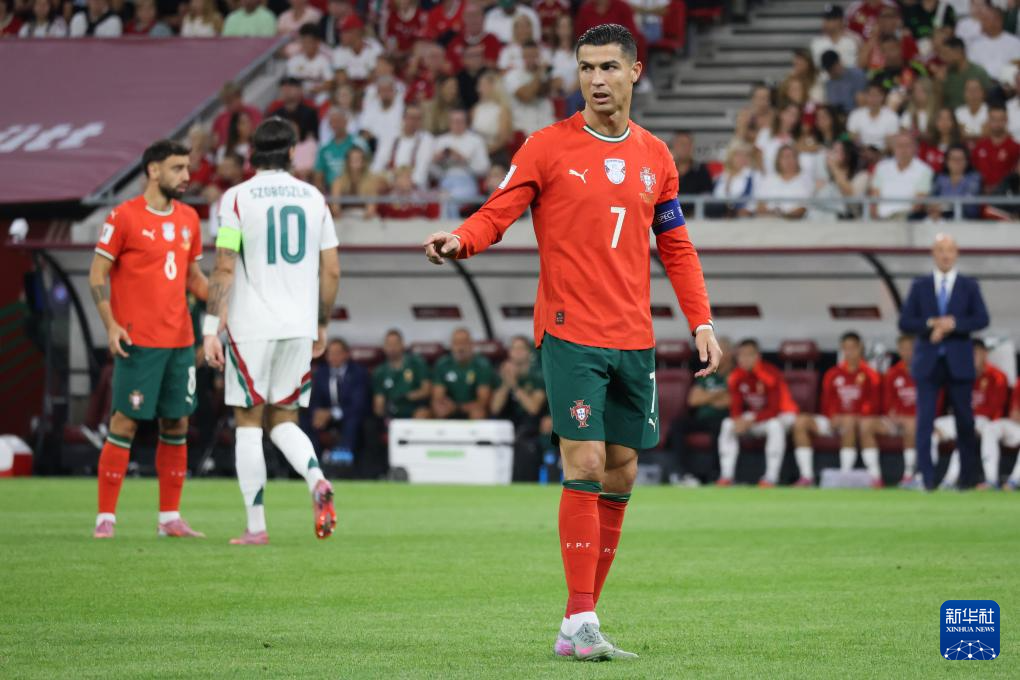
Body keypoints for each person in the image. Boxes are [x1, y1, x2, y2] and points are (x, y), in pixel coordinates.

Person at [422, 24, 720, 661]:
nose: (597, 79)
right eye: (587, 68)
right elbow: (498, 211)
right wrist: (461, 239)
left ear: (635, 72)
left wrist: (701, 321)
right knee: (584, 462)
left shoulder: (657, 157)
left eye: (609, 67)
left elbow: (676, 246)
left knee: (622, 469)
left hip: (633, 336)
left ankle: (576, 622)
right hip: (570, 330)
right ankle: (584, 621)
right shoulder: (547, 146)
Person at [202, 118, 341, 544]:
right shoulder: (314, 198)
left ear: (252, 154)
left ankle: (256, 526)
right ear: (292, 151)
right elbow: (331, 270)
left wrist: (210, 328)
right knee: (283, 418)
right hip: (298, 325)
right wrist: (321, 322)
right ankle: (316, 477)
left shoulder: (236, 198)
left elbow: (224, 266)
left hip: (252, 325)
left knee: (248, 422)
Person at [88, 140, 208, 539]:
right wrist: (111, 325)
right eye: (177, 168)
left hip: (180, 342)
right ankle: (106, 518)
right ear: (153, 171)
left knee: (177, 421)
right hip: (138, 341)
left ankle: (169, 517)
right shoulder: (123, 217)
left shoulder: (189, 218)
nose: (186, 176)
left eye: (187, 168)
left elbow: (192, 277)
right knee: (125, 422)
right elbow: (97, 275)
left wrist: (226, 298)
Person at [898, 234, 990, 491]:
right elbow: (905, 322)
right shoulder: (920, 285)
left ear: (957, 253)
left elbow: (982, 319)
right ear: (933, 253)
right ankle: (926, 478)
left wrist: (953, 324)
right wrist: (931, 324)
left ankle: (968, 479)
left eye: (949, 250)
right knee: (925, 421)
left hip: (959, 362)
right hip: (928, 362)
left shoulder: (969, 285)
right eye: (940, 250)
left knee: (965, 421)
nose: (945, 255)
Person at [791, 331, 881, 485]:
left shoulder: (871, 374)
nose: (849, 352)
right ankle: (806, 476)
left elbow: (874, 404)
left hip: (858, 421)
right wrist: (832, 416)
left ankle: (845, 475)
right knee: (800, 422)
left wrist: (856, 416)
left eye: (853, 348)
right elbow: (826, 402)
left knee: (849, 421)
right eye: (845, 348)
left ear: (860, 348)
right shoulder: (832, 373)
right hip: (833, 420)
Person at [717, 339, 797, 488]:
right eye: (741, 355)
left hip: (783, 415)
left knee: (775, 425)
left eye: (749, 355)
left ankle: (771, 477)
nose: (744, 359)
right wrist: (738, 420)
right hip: (756, 417)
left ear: (758, 356)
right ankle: (726, 476)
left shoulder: (769, 373)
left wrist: (751, 421)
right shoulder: (736, 375)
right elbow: (736, 405)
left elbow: (774, 409)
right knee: (728, 424)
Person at [932, 340, 1008, 489]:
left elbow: (997, 408)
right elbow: (950, 403)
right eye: (967, 354)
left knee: (965, 431)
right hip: (961, 418)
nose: (971, 357)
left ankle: (950, 480)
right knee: (931, 429)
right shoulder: (958, 375)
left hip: (985, 421)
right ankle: (922, 476)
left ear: (984, 354)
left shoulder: (996, 376)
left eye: (975, 353)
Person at [861, 335, 919, 487]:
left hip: (918, 421)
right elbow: (887, 401)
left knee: (911, 424)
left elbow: (935, 401)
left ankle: (908, 475)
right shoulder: (892, 373)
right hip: (895, 421)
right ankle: (875, 477)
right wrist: (893, 415)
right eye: (904, 348)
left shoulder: (927, 371)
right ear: (899, 350)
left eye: (911, 348)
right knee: (866, 425)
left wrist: (912, 417)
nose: (908, 352)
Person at [309, 338, 370, 466]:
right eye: (330, 353)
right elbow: (315, 399)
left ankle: (341, 462)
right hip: (326, 418)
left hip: (348, 415)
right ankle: (314, 461)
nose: (333, 357)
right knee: (306, 419)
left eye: (337, 353)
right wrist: (318, 412)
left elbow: (358, 405)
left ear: (346, 354)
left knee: (353, 421)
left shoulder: (358, 373)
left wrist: (332, 413)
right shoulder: (321, 373)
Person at [430, 328, 496, 419]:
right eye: (456, 343)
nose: (460, 348)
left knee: (478, 412)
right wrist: (444, 404)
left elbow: (483, 400)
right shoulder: (443, 364)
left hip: (471, 408)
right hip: (450, 407)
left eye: (464, 343)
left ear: (472, 344)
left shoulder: (482, 365)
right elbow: (438, 396)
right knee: (439, 409)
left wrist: (458, 408)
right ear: (451, 345)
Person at [869, 132, 933, 219]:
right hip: (880, 219)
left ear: (915, 148)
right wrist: (875, 218)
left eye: (907, 145)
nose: (903, 149)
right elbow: (874, 197)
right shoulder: (881, 167)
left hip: (907, 219)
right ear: (894, 148)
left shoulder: (925, 170)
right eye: (900, 146)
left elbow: (919, 202)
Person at [372, 329, 432, 420]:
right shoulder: (380, 372)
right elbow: (379, 401)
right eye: (389, 344)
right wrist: (381, 409)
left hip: (416, 410)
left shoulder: (416, 363)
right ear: (384, 347)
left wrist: (408, 396)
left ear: (402, 344)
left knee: (423, 414)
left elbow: (426, 390)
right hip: (392, 413)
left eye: (395, 344)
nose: (392, 348)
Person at [754, 144, 812, 220]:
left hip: (796, 223)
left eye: (791, 156)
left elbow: (803, 208)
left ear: (797, 159)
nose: (788, 160)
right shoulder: (768, 179)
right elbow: (760, 206)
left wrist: (783, 216)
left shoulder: (805, 180)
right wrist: (775, 214)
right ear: (778, 160)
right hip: (768, 222)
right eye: (785, 157)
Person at [933, 36, 991, 111]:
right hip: (951, 115)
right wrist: (938, 83)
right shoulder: (946, 74)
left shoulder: (979, 73)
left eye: (946, 53)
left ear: (958, 51)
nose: (944, 58)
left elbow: (987, 100)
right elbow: (939, 103)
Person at [972, 105, 1020, 192]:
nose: (997, 123)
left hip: (1007, 195)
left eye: (1001, 119)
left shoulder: (1015, 147)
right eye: (993, 119)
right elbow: (973, 171)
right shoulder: (979, 146)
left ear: (1006, 121)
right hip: (981, 195)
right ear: (988, 121)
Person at [929, 144, 982, 220]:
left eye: (961, 159)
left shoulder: (974, 178)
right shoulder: (940, 178)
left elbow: (967, 202)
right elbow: (931, 199)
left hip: (967, 220)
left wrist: (942, 205)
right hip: (941, 219)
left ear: (967, 161)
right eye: (953, 158)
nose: (957, 162)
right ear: (946, 161)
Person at [671, 130, 714, 216]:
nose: (684, 148)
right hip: (670, 219)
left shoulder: (701, 171)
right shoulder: (665, 171)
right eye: (681, 144)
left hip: (696, 218)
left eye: (687, 144)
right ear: (673, 146)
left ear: (692, 147)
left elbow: (707, 197)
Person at [847, 83, 900, 150]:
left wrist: (878, 153)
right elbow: (854, 139)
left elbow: (890, 143)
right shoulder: (855, 115)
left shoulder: (892, 116)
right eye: (870, 95)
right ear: (866, 96)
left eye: (876, 95)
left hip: (883, 153)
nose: (873, 99)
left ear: (882, 97)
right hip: (861, 152)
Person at [710, 141, 756, 218]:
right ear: (730, 156)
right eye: (738, 155)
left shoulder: (752, 177)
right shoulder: (720, 177)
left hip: (743, 220)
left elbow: (754, 203)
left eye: (746, 155)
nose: (742, 158)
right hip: (719, 220)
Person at [988, 381, 1020, 490]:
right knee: (990, 428)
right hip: (1016, 426)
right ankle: (991, 480)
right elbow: (1015, 412)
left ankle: (1014, 481)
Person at [821, 50, 868, 115]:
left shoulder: (856, 74)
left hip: (857, 114)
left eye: (832, 68)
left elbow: (862, 101)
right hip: (837, 117)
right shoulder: (828, 84)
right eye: (828, 70)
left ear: (838, 62)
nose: (831, 72)